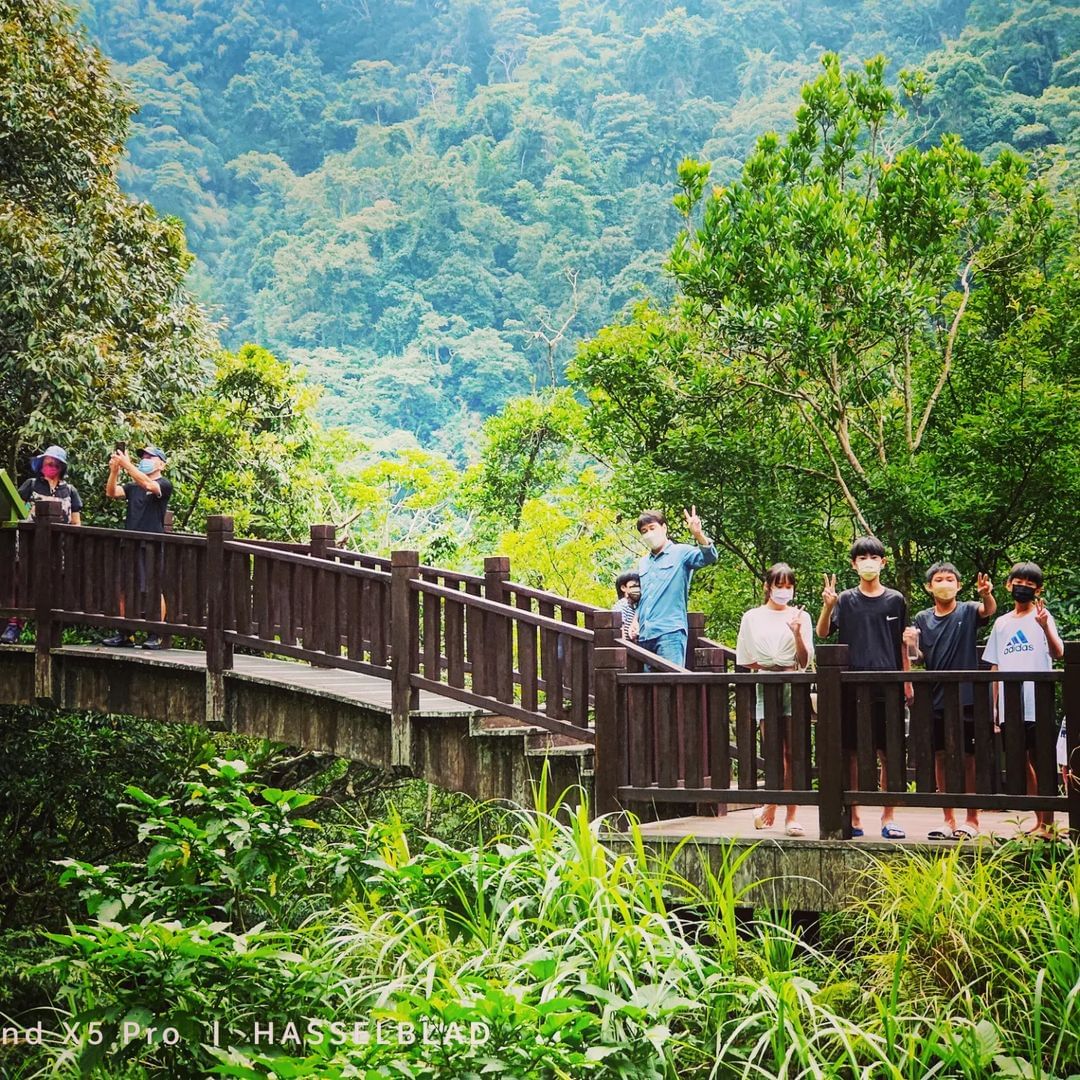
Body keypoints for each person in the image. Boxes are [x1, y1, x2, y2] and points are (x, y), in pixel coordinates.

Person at [817, 536, 912, 839]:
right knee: (852, 752)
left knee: (889, 751)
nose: (868, 562)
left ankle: (889, 815)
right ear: (854, 564)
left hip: (889, 683)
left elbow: (903, 645)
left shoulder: (896, 599)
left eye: (874, 557)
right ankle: (854, 814)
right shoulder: (845, 599)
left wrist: (907, 681)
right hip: (851, 684)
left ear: (883, 562)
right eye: (862, 558)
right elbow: (823, 632)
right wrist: (827, 606)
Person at [904, 563, 996, 840]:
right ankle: (947, 818)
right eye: (938, 579)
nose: (944, 583)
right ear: (928, 587)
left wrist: (986, 594)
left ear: (959, 585)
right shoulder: (922, 617)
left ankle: (972, 819)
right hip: (935, 697)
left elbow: (987, 611)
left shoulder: (968, 610)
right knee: (940, 757)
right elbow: (918, 657)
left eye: (950, 579)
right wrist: (910, 644)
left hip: (968, 697)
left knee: (969, 758)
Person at [982, 562, 1064, 838]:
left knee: (1042, 759)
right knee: (1021, 759)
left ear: (1038, 589)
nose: (1023, 588)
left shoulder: (1042, 615)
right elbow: (994, 665)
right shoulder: (1002, 623)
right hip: (1009, 704)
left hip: (1037, 700)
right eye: (1019, 582)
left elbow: (1058, 652)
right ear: (1008, 585)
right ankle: (1039, 819)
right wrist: (993, 706)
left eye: (1030, 585)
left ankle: (1050, 823)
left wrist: (1044, 627)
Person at [736, 563, 814, 836]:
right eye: (778, 585)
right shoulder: (752, 617)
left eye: (788, 586)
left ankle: (791, 814)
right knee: (772, 751)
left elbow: (805, 662)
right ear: (767, 587)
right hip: (765, 686)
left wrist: (795, 634)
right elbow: (745, 659)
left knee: (794, 751)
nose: (783, 591)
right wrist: (770, 664)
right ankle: (770, 802)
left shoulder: (801, 616)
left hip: (793, 685)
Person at [2, 445, 83, 645]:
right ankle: (14, 625)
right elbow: (17, 508)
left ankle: (49, 631)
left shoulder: (69, 490)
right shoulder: (31, 484)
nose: (49, 466)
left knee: (52, 586)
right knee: (22, 583)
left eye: (53, 463)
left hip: (58, 548)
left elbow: (76, 521)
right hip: (29, 544)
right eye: (46, 462)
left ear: (61, 467)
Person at [104, 445, 173, 649]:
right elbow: (112, 492)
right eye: (143, 456)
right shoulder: (133, 486)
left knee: (153, 588)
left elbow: (149, 485)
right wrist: (115, 470)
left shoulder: (164, 484)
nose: (145, 459)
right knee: (125, 588)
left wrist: (127, 464)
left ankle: (156, 633)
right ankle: (125, 633)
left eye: (150, 456)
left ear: (161, 463)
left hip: (151, 544)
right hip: (130, 542)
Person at [635, 507, 717, 668]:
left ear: (664, 528)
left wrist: (698, 534)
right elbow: (645, 597)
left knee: (671, 683)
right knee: (646, 689)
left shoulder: (681, 552)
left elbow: (709, 557)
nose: (649, 534)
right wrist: (635, 621)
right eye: (644, 531)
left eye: (652, 528)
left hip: (670, 632)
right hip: (645, 634)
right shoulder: (643, 562)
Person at [612, 571, 641, 641]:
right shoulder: (622, 605)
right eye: (634, 586)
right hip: (625, 647)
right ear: (623, 588)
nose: (637, 589)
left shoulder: (634, 607)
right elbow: (619, 628)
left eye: (639, 586)